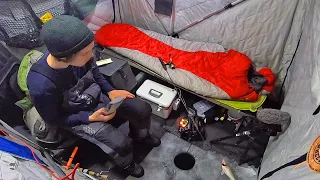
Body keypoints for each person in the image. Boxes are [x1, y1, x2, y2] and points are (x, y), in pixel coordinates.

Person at [27, 15, 161, 178]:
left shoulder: (81, 52)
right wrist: (89, 117)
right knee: (120, 143)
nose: (92, 55)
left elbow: (95, 71)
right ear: (63, 58)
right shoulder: (42, 86)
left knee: (143, 109)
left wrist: (110, 90)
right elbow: (54, 119)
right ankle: (127, 164)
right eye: (86, 53)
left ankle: (141, 136)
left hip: (96, 97)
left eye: (91, 49)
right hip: (76, 115)